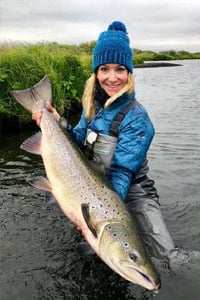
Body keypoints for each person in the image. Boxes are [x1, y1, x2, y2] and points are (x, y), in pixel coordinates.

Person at [33, 21, 199, 267]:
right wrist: (59, 123)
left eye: (120, 69)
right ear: (96, 73)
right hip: (95, 185)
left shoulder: (137, 118)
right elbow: (79, 142)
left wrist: (103, 219)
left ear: (129, 73)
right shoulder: (92, 106)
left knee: (168, 258)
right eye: (105, 69)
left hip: (132, 193)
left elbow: (122, 173)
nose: (112, 78)